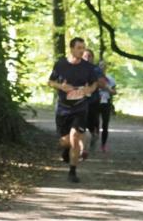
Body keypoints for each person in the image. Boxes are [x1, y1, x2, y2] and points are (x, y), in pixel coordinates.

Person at [48, 37, 102, 183]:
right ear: (71, 49)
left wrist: (88, 90)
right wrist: (61, 87)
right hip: (63, 109)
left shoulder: (88, 67)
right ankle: (67, 149)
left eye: (83, 48)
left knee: (75, 137)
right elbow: (50, 82)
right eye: (79, 48)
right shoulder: (60, 65)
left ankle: (72, 171)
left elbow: (95, 84)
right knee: (65, 142)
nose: (82, 51)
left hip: (80, 107)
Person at [81, 49, 104, 154]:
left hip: (93, 101)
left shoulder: (97, 70)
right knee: (79, 124)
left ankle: (94, 136)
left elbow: (102, 84)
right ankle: (82, 148)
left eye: (89, 56)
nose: (87, 58)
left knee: (92, 123)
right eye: (85, 56)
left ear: (92, 58)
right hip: (79, 101)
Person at [97, 60, 117, 152]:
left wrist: (108, 89)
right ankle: (94, 138)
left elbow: (114, 92)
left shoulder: (111, 79)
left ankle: (103, 144)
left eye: (104, 66)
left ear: (106, 68)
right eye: (101, 66)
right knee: (94, 123)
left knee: (105, 124)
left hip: (106, 102)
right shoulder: (94, 78)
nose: (102, 67)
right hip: (96, 102)